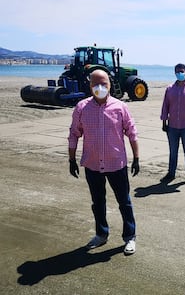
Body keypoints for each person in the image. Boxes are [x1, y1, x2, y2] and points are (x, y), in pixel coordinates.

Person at [68, 69, 140, 255]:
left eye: (104, 84)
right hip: (92, 164)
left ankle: (130, 236)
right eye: (96, 84)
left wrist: (136, 158)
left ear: (110, 84)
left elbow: (132, 132)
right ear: (90, 85)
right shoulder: (82, 108)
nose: (100, 88)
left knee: (124, 202)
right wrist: (71, 159)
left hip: (116, 164)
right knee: (97, 202)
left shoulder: (120, 107)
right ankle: (101, 234)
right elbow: (74, 134)